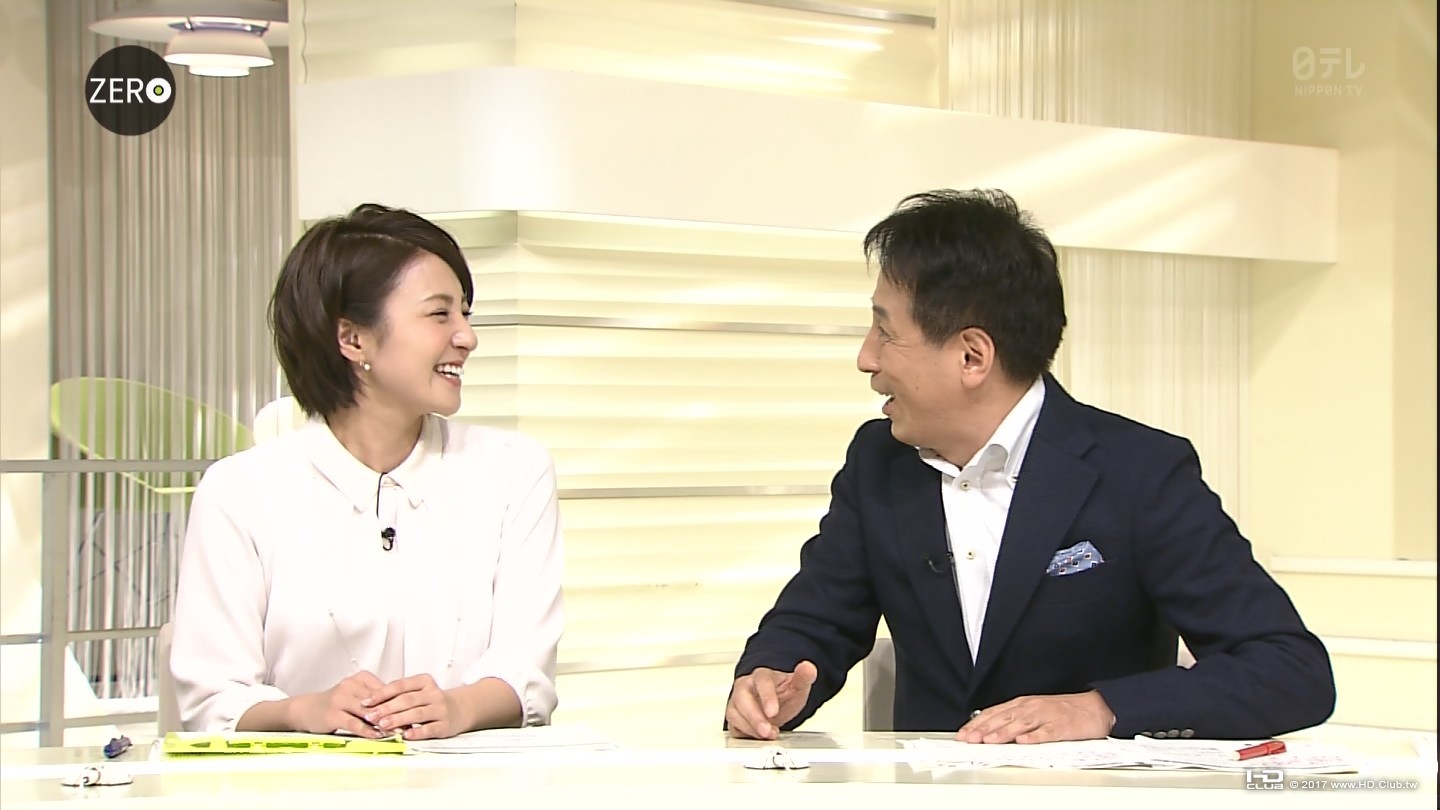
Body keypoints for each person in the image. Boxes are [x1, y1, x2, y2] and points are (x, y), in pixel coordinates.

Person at [724, 189, 1335, 743]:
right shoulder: (879, 461)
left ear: (972, 356)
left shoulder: (1139, 472)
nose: (866, 358)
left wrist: (1103, 709)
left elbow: (1290, 669)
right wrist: (772, 677)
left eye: (886, 332)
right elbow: (817, 618)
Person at [171, 203, 564, 740]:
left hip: (472, 779)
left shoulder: (514, 471)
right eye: (440, 314)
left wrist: (457, 708)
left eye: (465, 314)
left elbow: (528, 674)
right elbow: (212, 700)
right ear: (353, 339)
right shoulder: (240, 491)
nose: (467, 337)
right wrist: (304, 713)